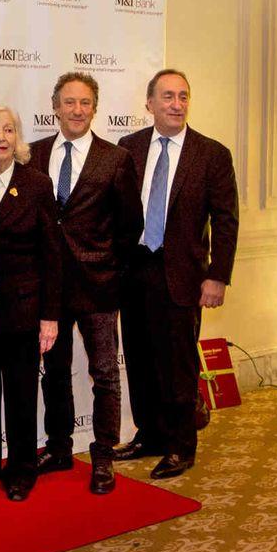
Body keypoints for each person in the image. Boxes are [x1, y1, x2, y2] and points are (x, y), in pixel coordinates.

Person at [115, 69, 238, 479]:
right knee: (140, 358)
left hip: (184, 274)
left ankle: (181, 445)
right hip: (135, 271)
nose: (176, 104)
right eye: (167, 96)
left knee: (178, 365)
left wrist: (217, 275)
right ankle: (149, 435)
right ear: (149, 103)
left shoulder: (212, 154)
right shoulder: (127, 148)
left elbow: (225, 221)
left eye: (183, 96)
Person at [28, 71, 142, 494]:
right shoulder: (32, 154)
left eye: (85, 103)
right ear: (55, 107)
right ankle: (58, 448)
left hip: (98, 285)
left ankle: (103, 455)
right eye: (69, 102)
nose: (77, 110)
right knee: (53, 373)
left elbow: (131, 225)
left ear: (95, 108)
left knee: (105, 374)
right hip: (48, 288)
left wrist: (111, 269)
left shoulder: (115, 159)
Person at [0, 105, 63, 501]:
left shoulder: (37, 183)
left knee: (22, 394)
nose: (1, 137)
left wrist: (50, 317)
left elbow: (53, 255)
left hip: (23, 310)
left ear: (17, 137)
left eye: (9, 129)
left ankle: (22, 469)